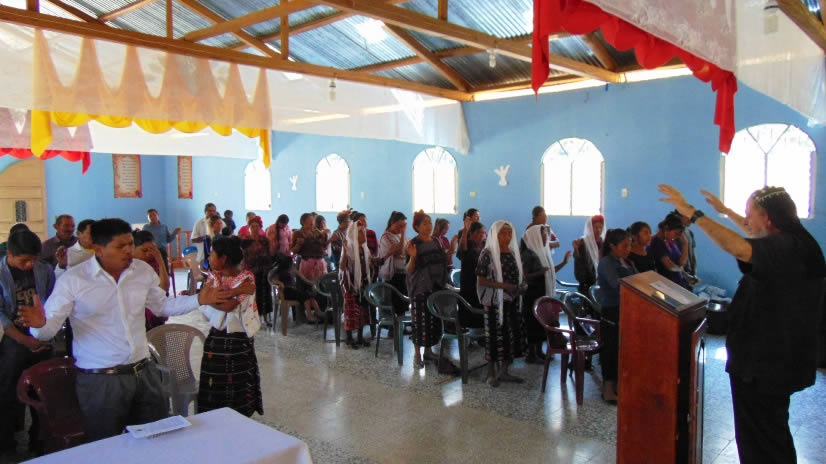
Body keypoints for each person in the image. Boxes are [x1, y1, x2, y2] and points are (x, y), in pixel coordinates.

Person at [18, 218, 233, 442]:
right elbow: (48, 329)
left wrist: (199, 299)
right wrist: (38, 326)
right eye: (120, 246)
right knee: (106, 444)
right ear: (98, 249)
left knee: (157, 440)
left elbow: (162, 306)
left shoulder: (141, 271)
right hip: (101, 380)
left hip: (144, 372)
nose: (129, 250)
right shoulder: (74, 280)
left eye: (130, 244)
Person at [659, 184, 825, 463]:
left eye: (750, 214)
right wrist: (726, 211)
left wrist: (694, 214)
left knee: (763, 441)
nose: (746, 221)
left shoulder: (787, 246)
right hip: (772, 364)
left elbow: (738, 246)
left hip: (765, 367)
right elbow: (753, 232)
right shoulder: (796, 241)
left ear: (768, 218)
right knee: (768, 434)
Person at [0, 230, 55, 455]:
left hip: (41, 336)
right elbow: (1, 316)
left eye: (34, 259)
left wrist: (43, 335)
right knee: (7, 391)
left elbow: (53, 302)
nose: (30, 265)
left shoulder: (44, 270)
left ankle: (38, 442)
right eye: (24, 261)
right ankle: (7, 444)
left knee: (42, 392)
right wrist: (25, 340)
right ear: (9, 253)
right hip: (13, 338)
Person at [197, 236, 262, 417]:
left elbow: (228, 306)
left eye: (212, 254)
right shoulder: (214, 277)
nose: (209, 257)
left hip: (237, 342)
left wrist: (208, 299)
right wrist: (232, 292)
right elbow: (205, 296)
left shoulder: (246, 278)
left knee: (238, 386)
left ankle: (238, 419)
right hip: (216, 340)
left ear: (223, 258)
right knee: (215, 384)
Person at [476, 220, 526, 387]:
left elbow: (519, 275)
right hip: (494, 302)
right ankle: (491, 373)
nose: (507, 236)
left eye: (509, 233)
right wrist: (504, 286)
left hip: (512, 300)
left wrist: (521, 286)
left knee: (509, 336)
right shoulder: (487, 254)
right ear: (494, 235)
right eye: (503, 233)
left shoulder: (512, 252)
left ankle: (504, 371)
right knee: (494, 337)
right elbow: (481, 280)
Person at [596, 228, 637, 402]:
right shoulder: (606, 263)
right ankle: (608, 389)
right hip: (612, 310)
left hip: (628, 310)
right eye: (624, 246)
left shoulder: (627, 261)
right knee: (611, 350)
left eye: (630, 245)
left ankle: (620, 386)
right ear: (612, 246)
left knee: (623, 350)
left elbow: (639, 280)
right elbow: (617, 285)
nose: (628, 249)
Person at [521, 224, 571, 363]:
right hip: (531, 295)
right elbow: (525, 276)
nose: (546, 238)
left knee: (539, 325)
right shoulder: (528, 254)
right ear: (535, 236)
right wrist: (540, 272)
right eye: (543, 235)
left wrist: (564, 262)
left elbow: (550, 271)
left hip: (540, 293)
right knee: (532, 325)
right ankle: (531, 355)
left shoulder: (542, 251)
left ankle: (539, 352)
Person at [406, 211, 449, 370]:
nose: (429, 226)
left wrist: (450, 252)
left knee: (433, 321)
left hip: (436, 286)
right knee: (420, 322)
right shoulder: (413, 243)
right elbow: (409, 269)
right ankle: (417, 355)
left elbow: (442, 260)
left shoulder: (436, 241)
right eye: (424, 223)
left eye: (430, 222)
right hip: (421, 287)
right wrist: (413, 256)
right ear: (417, 227)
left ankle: (428, 352)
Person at [340, 218, 373, 349]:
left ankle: (359, 337)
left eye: (364, 232)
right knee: (351, 311)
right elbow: (342, 267)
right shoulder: (349, 248)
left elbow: (369, 264)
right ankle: (349, 338)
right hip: (351, 284)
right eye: (361, 232)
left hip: (363, 283)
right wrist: (344, 251)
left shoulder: (364, 249)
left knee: (363, 310)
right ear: (354, 234)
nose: (364, 234)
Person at [291, 213, 326, 323]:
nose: (312, 223)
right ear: (303, 222)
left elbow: (323, 245)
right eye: (309, 221)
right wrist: (298, 244)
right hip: (306, 264)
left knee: (316, 289)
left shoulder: (316, 232)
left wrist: (324, 236)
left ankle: (318, 312)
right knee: (305, 289)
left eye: (313, 221)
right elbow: (293, 251)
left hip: (318, 264)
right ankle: (307, 314)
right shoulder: (298, 233)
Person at [133, 230, 170, 331]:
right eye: (144, 250)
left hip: (154, 305)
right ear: (133, 249)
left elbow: (164, 288)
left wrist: (160, 260)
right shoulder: (128, 265)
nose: (149, 253)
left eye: (152, 250)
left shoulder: (155, 261)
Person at [241, 216, 273, 325]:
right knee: (253, 295)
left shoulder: (264, 240)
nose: (255, 228)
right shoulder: (245, 240)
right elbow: (243, 256)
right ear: (249, 228)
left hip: (263, 269)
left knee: (265, 294)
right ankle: (253, 318)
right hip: (251, 270)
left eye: (257, 226)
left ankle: (266, 318)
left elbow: (269, 253)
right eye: (252, 226)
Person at [379, 211, 409, 322]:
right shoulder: (386, 236)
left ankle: (401, 325)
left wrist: (401, 252)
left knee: (403, 302)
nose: (402, 229)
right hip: (392, 275)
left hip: (403, 273)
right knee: (393, 302)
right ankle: (392, 326)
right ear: (392, 223)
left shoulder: (401, 236)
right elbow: (400, 251)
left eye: (404, 226)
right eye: (400, 226)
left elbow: (407, 252)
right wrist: (403, 235)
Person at [456, 219, 485, 331]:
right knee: (469, 307)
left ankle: (479, 333)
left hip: (479, 282)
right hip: (468, 281)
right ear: (472, 233)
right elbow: (462, 249)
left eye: (482, 232)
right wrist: (465, 229)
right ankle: (468, 332)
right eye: (478, 232)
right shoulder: (467, 244)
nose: (481, 235)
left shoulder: (482, 245)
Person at [648, 213, 689, 288]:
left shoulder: (671, 241)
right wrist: (683, 272)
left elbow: (682, 262)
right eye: (676, 233)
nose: (677, 237)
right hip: (667, 285)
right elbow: (670, 266)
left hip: (679, 283)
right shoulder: (656, 242)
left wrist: (685, 244)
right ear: (666, 228)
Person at [573, 215, 605, 295]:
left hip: (602, 283)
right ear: (590, 228)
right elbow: (579, 261)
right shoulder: (583, 242)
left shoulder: (604, 242)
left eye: (600, 227)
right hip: (587, 284)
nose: (598, 230)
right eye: (595, 227)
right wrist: (576, 249)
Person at [673, 209, 698, 288]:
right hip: (677, 276)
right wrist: (685, 275)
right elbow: (670, 260)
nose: (691, 220)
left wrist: (694, 273)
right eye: (688, 216)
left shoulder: (690, 233)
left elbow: (693, 255)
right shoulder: (672, 234)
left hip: (689, 275)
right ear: (678, 216)